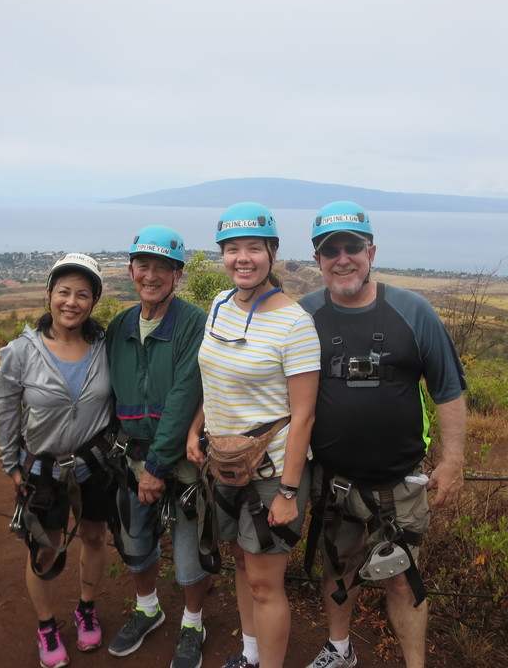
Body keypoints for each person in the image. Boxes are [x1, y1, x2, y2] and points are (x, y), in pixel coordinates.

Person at [297, 202, 467, 668]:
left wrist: (452, 462)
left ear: (372, 252)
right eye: (331, 249)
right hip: (334, 479)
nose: (343, 257)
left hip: (400, 480)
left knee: (402, 576)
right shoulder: (303, 315)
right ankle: (339, 649)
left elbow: (448, 390)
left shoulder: (412, 311)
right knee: (338, 564)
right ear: (318, 260)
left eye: (353, 246)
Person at [186, 202, 321, 668]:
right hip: (225, 463)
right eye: (232, 249)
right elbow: (213, 374)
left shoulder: (295, 323)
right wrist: (197, 425)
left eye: (254, 249)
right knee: (242, 564)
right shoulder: (221, 304)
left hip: (271, 473)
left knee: (266, 583)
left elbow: (303, 416)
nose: (242, 258)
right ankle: (249, 654)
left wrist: (287, 491)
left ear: (273, 252)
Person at [0, 252, 114, 668]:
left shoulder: (103, 347)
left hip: (94, 466)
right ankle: (46, 625)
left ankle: (86, 607)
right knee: (45, 549)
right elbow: (6, 409)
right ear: (49, 294)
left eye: (83, 294)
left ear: (93, 302)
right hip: (42, 468)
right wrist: (11, 464)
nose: (72, 302)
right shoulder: (21, 352)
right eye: (64, 291)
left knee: (96, 538)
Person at [103, 225, 214, 668]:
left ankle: (193, 621)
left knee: (188, 552)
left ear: (178, 275)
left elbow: (186, 394)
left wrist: (157, 465)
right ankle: (148, 608)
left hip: (178, 459)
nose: (151, 275)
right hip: (130, 455)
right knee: (134, 540)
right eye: (143, 265)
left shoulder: (192, 324)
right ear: (131, 270)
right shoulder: (119, 326)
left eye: (162, 267)